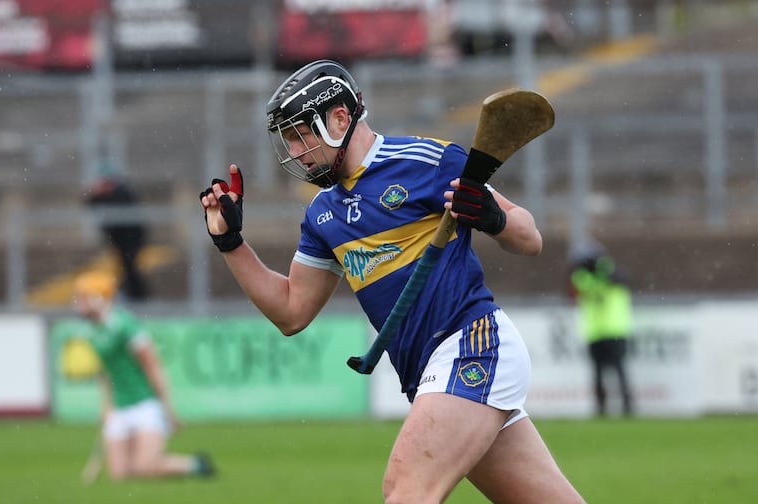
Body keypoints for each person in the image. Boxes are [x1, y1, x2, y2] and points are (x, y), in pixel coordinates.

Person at [200, 60, 583, 503]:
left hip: (471, 343)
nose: (296, 151)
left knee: (406, 492)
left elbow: (529, 237)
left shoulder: (428, 161)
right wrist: (230, 242)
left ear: (340, 118)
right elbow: (291, 312)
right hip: (426, 374)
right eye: (287, 140)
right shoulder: (323, 215)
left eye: (300, 135)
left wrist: (494, 218)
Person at [71, 270, 214, 480]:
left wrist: (167, 409)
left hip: (144, 403)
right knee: (120, 475)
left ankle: (195, 465)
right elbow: (106, 374)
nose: (78, 303)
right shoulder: (92, 331)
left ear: (98, 299)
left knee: (145, 466)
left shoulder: (126, 325)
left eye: (83, 297)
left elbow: (152, 366)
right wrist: (106, 408)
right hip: (120, 407)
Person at [569, 245, 634, 417]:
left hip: (615, 329)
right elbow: (578, 286)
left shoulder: (611, 272)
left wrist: (601, 268)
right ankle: (601, 409)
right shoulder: (583, 277)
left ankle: (627, 407)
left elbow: (619, 278)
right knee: (599, 373)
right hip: (596, 332)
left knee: (619, 370)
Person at [87, 175, 149, 300]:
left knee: (129, 267)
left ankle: (138, 295)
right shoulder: (107, 196)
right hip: (121, 240)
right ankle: (134, 294)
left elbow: (118, 208)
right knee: (126, 267)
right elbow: (90, 203)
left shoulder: (122, 194)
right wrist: (96, 194)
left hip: (131, 240)